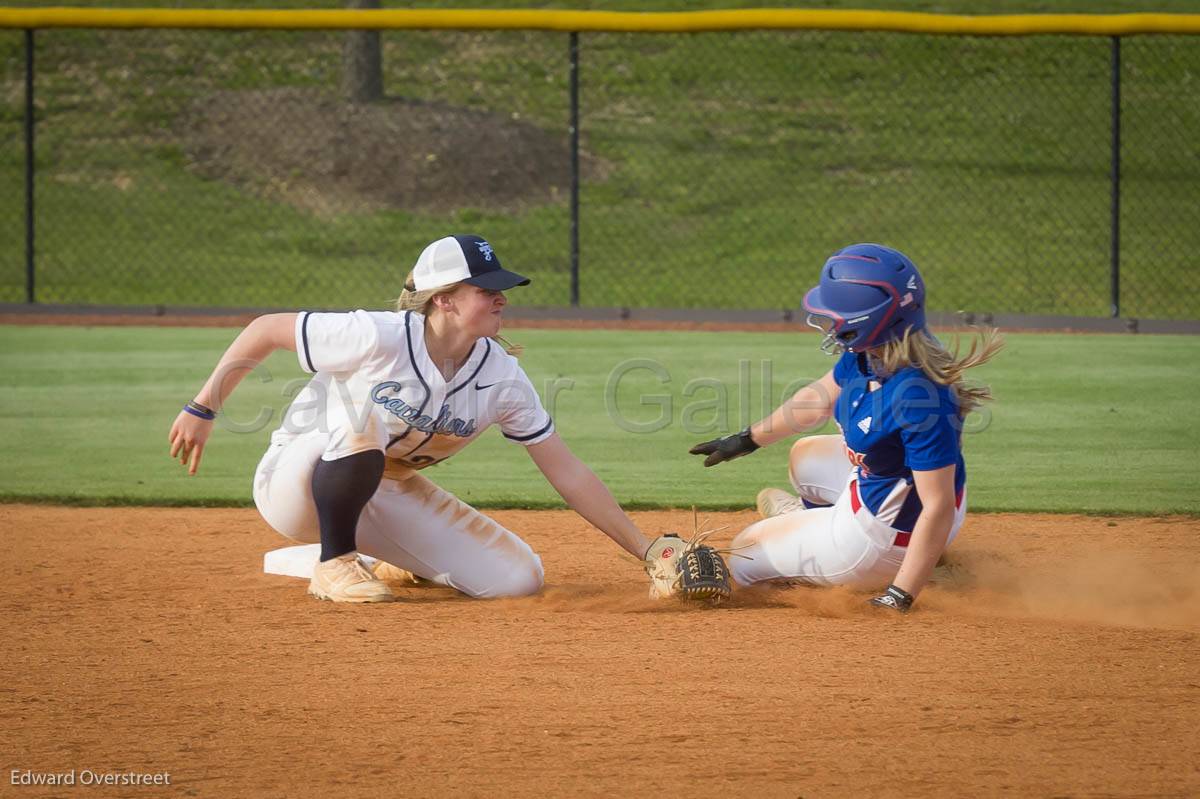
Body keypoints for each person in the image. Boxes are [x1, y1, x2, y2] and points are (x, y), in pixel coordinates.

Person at [168, 234, 652, 603]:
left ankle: (381, 561)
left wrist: (646, 550)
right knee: (366, 414)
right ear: (443, 298)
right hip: (295, 482)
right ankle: (333, 561)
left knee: (517, 580)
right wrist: (202, 407)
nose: (501, 297)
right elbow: (265, 329)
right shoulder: (377, 336)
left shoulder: (502, 377)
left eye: (501, 289)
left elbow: (566, 470)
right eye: (486, 289)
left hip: (382, 489)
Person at [689, 243, 1002, 612]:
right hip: (890, 488)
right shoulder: (881, 348)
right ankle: (812, 528)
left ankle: (906, 569)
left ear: (865, 323)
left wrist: (900, 595)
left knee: (744, 553)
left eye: (836, 314)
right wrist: (746, 439)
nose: (828, 321)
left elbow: (938, 505)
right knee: (802, 457)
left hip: (884, 538)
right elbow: (818, 399)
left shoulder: (919, 397)